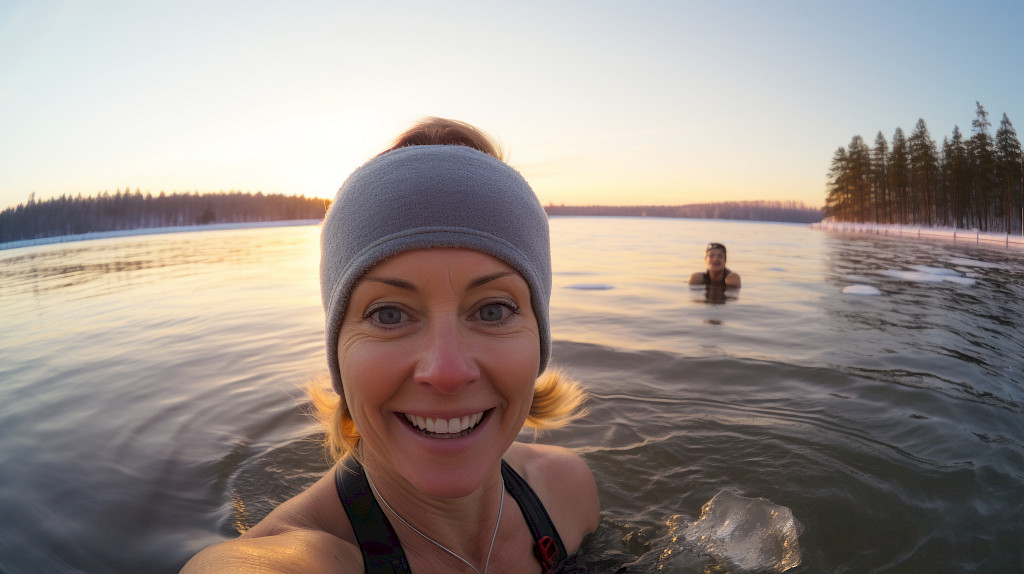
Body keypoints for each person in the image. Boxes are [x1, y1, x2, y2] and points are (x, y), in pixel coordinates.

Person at [181, 118, 600, 574]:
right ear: (337, 348)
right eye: (389, 314)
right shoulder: (296, 560)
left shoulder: (566, 492)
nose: (446, 371)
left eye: (493, 310)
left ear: (539, 339)